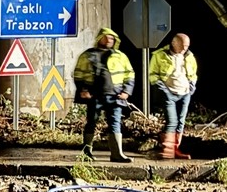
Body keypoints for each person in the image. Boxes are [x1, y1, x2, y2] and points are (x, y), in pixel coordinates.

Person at [73, 27, 136, 163]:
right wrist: (83, 89)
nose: (109, 40)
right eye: (106, 37)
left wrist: (126, 91)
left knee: (115, 124)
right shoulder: (88, 55)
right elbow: (79, 74)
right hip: (94, 96)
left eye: (112, 38)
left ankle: (117, 154)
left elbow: (129, 74)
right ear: (99, 38)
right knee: (91, 123)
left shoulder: (120, 56)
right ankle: (87, 152)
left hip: (115, 95)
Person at [149, 32, 197, 159]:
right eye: (182, 45)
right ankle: (168, 149)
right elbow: (153, 75)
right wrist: (163, 90)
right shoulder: (160, 55)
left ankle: (175, 149)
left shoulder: (189, 56)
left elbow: (193, 73)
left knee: (180, 121)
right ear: (174, 43)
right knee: (172, 121)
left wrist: (191, 86)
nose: (184, 49)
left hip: (185, 93)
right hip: (169, 92)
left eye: (187, 46)